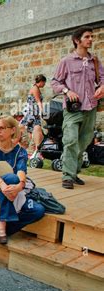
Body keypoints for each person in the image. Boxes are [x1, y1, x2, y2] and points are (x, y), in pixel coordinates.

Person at [51, 26, 104, 189]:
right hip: (73, 109)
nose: (91, 39)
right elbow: (55, 83)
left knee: (84, 142)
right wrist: (67, 91)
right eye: (87, 37)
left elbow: (102, 77)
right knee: (71, 140)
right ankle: (67, 176)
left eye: (91, 37)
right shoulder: (66, 61)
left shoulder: (94, 60)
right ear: (77, 40)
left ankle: (74, 172)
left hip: (91, 107)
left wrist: (102, 86)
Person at [0, 116, 45, 244]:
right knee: (11, 177)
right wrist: (3, 185)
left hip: (11, 190)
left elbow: (21, 171)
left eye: (2, 128)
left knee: (38, 210)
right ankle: (2, 226)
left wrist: (19, 187)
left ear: (13, 130)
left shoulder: (20, 152)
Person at [21, 74, 47, 153]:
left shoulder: (36, 88)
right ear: (41, 82)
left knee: (31, 130)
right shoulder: (35, 89)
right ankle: (33, 149)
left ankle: (31, 149)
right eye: (44, 83)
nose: (44, 84)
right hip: (33, 112)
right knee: (35, 129)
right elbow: (38, 101)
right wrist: (42, 111)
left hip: (32, 112)